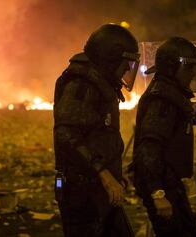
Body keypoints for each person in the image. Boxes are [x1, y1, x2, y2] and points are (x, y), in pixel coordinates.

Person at [53, 23, 140, 237]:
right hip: (81, 193)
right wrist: (105, 175)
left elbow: (99, 135)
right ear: (109, 59)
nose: (128, 69)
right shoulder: (82, 84)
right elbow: (66, 134)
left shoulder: (100, 83)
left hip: (101, 188)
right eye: (124, 63)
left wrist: (114, 173)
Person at [129, 37, 196, 237]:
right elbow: (149, 148)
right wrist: (157, 194)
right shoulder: (162, 100)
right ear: (172, 68)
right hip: (161, 186)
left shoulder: (171, 93)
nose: (192, 74)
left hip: (169, 183)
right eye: (188, 68)